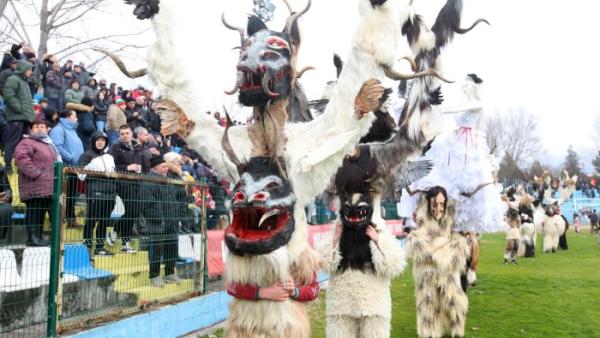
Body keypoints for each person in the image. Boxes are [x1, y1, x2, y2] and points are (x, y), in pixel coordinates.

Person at [406, 187, 470, 338]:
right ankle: (429, 333)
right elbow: (416, 243)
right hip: (427, 274)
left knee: (455, 302)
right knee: (428, 306)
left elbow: (458, 243)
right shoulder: (421, 221)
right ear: (428, 203)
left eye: (442, 204)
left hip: (447, 272)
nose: (439, 208)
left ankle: (457, 331)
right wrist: (436, 248)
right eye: (435, 204)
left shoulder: (449, 220)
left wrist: (446, 250)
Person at [14, 119, 60, 246]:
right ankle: (32, 238)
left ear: (47, 129)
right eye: (37, 126)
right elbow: (21, 158)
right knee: (34, 211)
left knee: (41, 212)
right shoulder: (27, 141)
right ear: (31, 129)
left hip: (47, 186)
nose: (40, 128)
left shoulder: (48, 144)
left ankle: (39, 237)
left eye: (43, 126)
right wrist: (36, 173)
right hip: (34, 184)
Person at [139, 155, 182, 287]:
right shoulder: (148, 181)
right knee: (156, 249)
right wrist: (158, 219)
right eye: (163, 166)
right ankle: (155, 276)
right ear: (155, 168)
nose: (166, 169)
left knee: (172, 246)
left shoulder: (166, 180)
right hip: (158, 222)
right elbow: (146, 204)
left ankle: (169, 273)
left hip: (171, 220)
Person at [109, 124, 147, 253]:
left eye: (127, 133)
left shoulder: (139, 148)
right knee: (131, 209)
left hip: (139, 183)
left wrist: (144, 175)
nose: (125, 136)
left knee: (134, 212)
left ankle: (119, 235)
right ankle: (124, 240)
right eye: (122, 133)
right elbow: (111, 166)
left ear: (131, 133)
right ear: (119, 135)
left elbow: (146, 164)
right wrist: (127, 168)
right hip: (124, 183)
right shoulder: (115, 148)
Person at [78, 131, 117, 256]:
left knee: (104, 221)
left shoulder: (109, 157)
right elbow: (80, 174)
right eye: (98, 140)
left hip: (110, 193)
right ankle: (87, 245)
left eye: (103, 140)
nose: (100, 142)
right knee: (92, 219)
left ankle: (100, 247)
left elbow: (114, 173)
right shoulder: (87, 155)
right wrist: (95, 169)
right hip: (95, 192)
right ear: (94, 141)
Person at [50, 110, 84, 227]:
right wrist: (71, 158)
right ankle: (57, 222)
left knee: (71, 195)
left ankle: (70, 219)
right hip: (65, 168)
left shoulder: (72, 130)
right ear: (68, 117)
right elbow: (57, 147)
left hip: (74, 168)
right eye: (75, 116)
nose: (77, 119)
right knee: (63, 196)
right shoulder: (59, 129)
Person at [3, 60, 36, 174]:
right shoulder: (13, 79)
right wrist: (19, 109)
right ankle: (7, 166)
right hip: (16, 118)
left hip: (24, 118)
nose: (30, 72)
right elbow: (8, 95)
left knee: (22, 144)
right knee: (12, 142)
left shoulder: (25, 83)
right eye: (29, 70)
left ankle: (18, 166)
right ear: (23, 69)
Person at [0, 164, 14, 242]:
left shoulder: (1, 170)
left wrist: (7, 196)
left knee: (6, 208)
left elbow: (8, 189)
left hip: (1, 203)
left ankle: (1, 238)